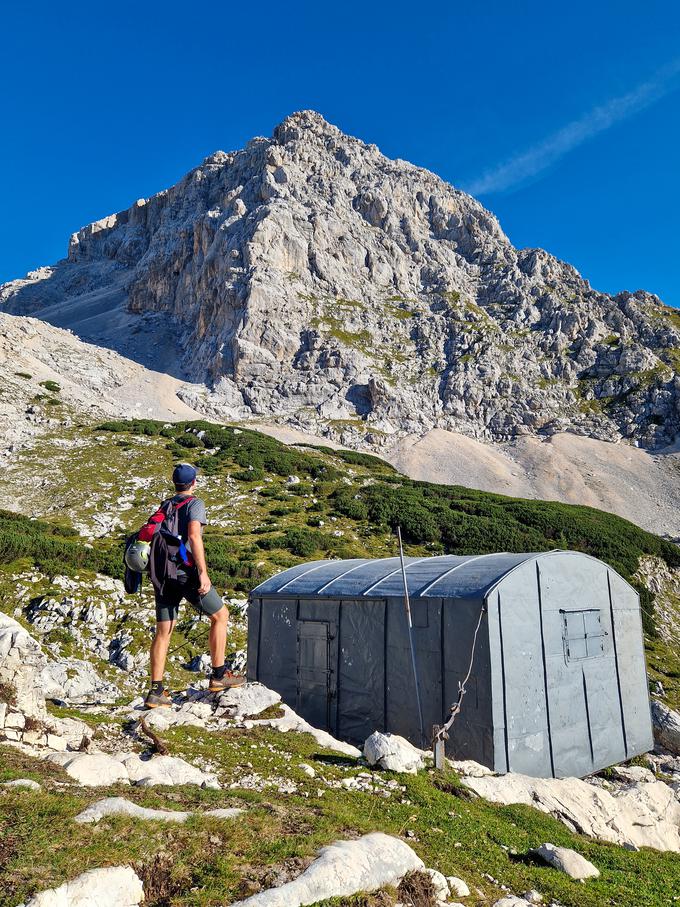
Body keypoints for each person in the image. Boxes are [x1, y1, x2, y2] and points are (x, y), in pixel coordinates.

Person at [144, 463, 244, 708]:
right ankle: (219, 676)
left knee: (164, 631)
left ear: (175, 483)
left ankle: (156, 691)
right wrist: (203, 573)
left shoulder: (165, 505)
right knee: (221, 615)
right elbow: (194, 536)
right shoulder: (194, 504)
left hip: (162, 575)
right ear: (194, 483)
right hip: (184, 573)